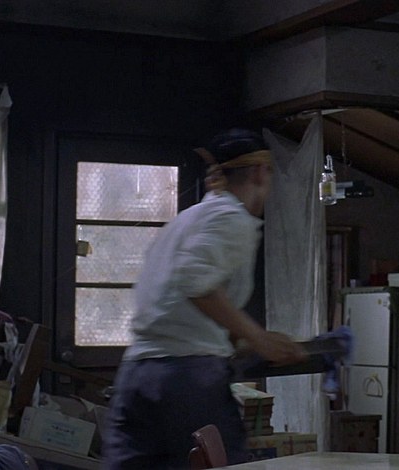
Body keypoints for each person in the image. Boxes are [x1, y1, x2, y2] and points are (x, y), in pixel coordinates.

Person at [102, 128, 307, 469]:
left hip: (137, 375)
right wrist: (260, 338)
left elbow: (177, 300)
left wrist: (241, 342)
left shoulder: (185, 221)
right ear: (260, 172)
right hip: (187, 380)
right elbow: (195, 281)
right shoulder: (231, 217)